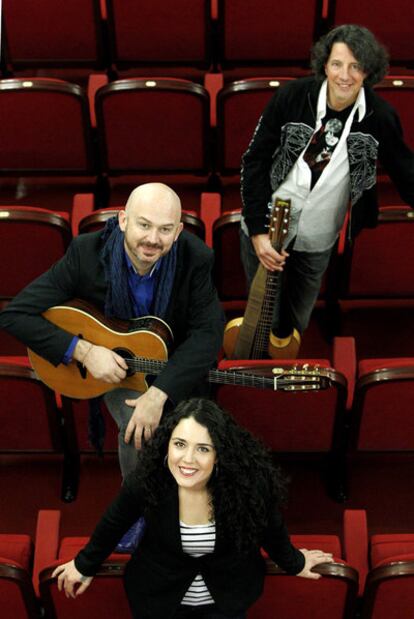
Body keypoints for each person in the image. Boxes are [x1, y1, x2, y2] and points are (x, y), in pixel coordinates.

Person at [0, 183, 224, 479]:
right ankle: (137, 510)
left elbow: (208, 333)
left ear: (179, 230)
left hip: (172, 365)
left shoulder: (196, 258)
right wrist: (85, 351)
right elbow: (15, 314)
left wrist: (158, 395)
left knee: (198, 435)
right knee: (139, 428)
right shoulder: (86, 254)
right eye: (144, 225)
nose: (153, 239)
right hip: (117, 369)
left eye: (165, 229)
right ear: (123, 220)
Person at [51, 398, 334, 619]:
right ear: (167, 446)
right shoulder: (147, 480)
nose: (187, 460)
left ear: (220, 454)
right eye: (180, 444)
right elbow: (114, 522)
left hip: (225, 601)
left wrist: (295, 563)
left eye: (203, 448)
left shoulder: (249, 485)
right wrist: (83, 564)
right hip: (159, 602)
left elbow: (271, 529)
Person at [240, 24, 414, 340]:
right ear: (325, 65)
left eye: (355, 66)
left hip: (318, 235)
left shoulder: (380, 116)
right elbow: (254, 161)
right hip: (267, 225)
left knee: (296, 323)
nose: (344, 75)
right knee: (261, 321)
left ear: (368, 71)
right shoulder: (291, 97)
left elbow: (407, 172)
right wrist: (256, 231)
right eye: (337, 64)